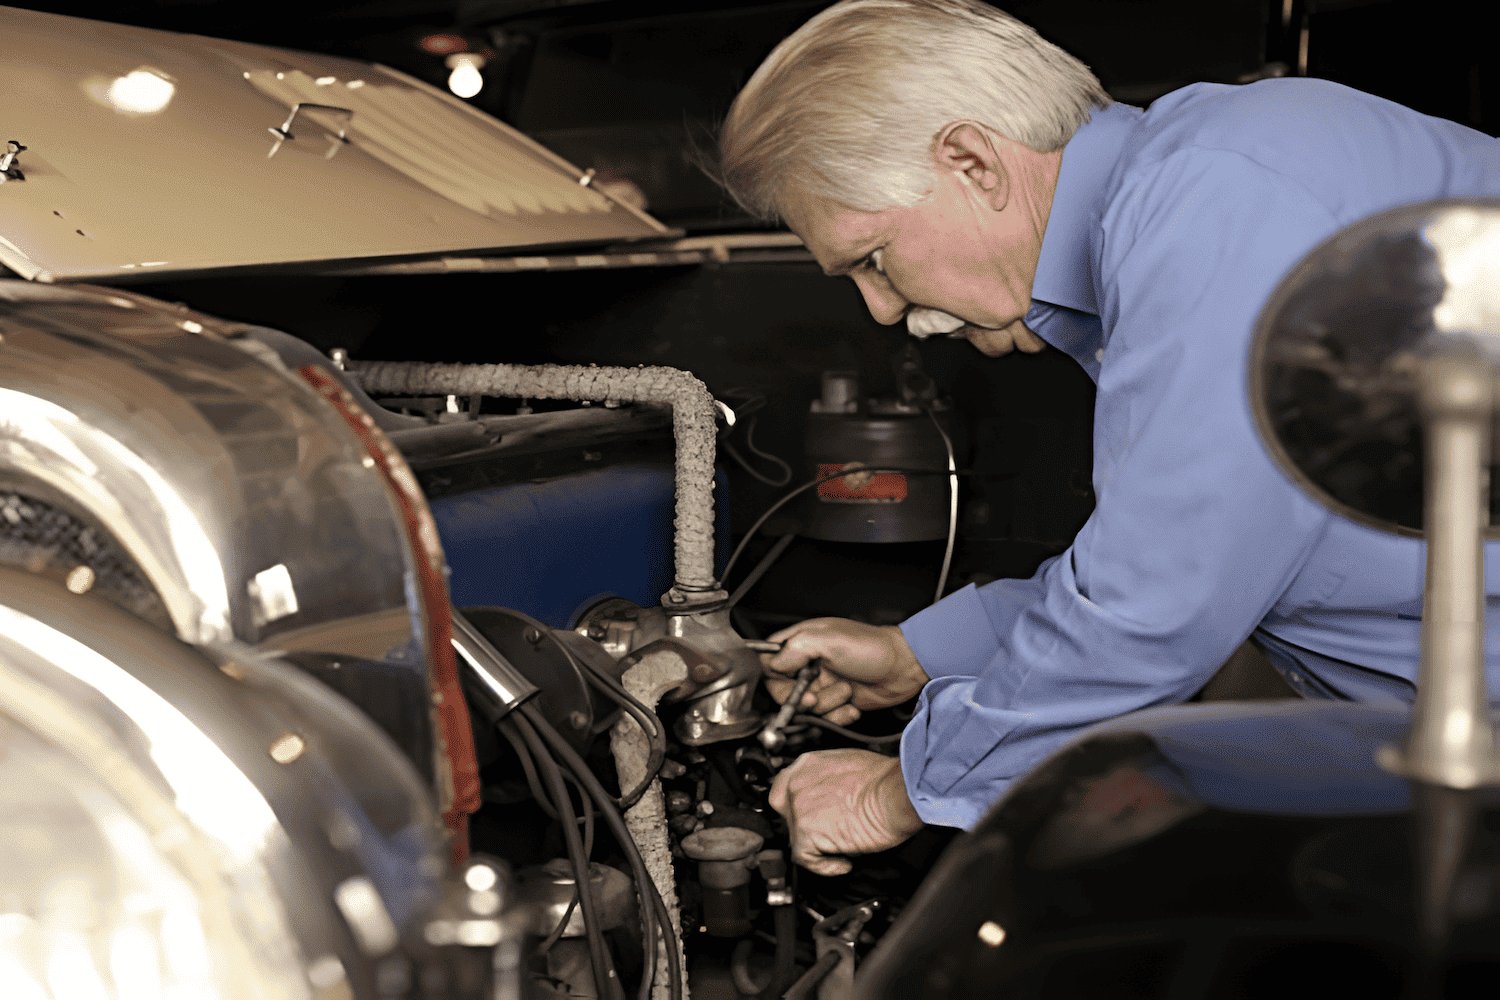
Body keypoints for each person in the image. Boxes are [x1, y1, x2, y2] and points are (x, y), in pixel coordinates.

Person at [715, 0, 1500, 876]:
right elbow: (1185, 560)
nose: (884, 311)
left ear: (972, 163)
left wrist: (895, 790)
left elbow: (1154, 601)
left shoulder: (1218, 198)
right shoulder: (1199, 191)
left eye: (872, 259)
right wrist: (915, 655)